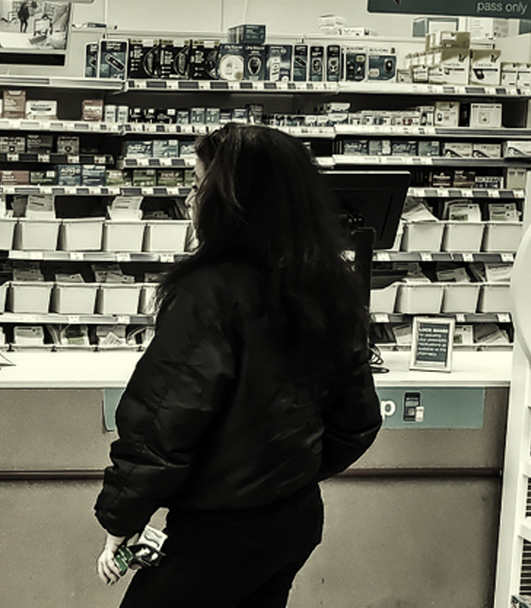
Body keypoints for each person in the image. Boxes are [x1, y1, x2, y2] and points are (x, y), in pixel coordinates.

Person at [93, 123, 382, 607]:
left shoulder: (209, 293)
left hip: (216, 533)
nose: (191, 199)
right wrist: (284, 476)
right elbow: (357, 420)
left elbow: (163, 420)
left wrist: (122, 517)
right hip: (294, 521)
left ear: (233, 200)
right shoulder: (329, 286)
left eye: (197, 184)